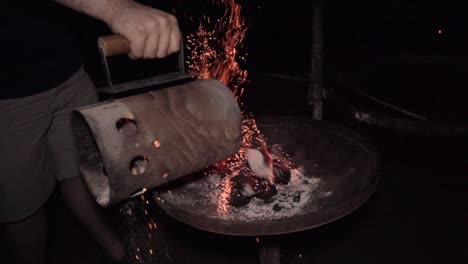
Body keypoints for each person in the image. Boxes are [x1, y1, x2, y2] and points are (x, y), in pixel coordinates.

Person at [0, 1, 182, 263]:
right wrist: (116, 9)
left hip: (70, 73)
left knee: (79, 172)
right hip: (10, 94)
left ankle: (113, 247)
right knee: (22, 207)